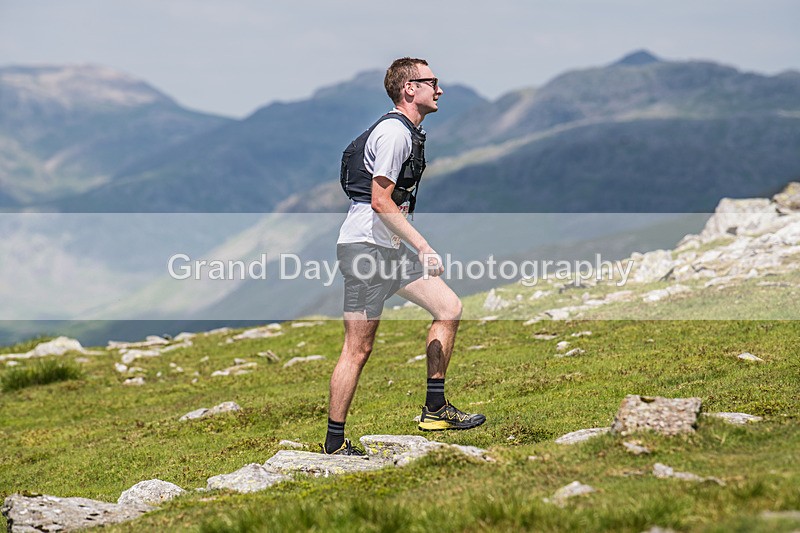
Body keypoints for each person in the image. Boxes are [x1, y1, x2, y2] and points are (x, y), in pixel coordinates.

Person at [322, 57, 486, 455]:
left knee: (448, 307)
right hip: (365, 249)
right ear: (409, 88)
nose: (440, 90)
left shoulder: (408, 132)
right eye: (432, 82)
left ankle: (435, 407)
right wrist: (423, 245)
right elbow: (380, 201)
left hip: (389, 250)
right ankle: (333, 443)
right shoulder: (395, 135)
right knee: (358, 349)